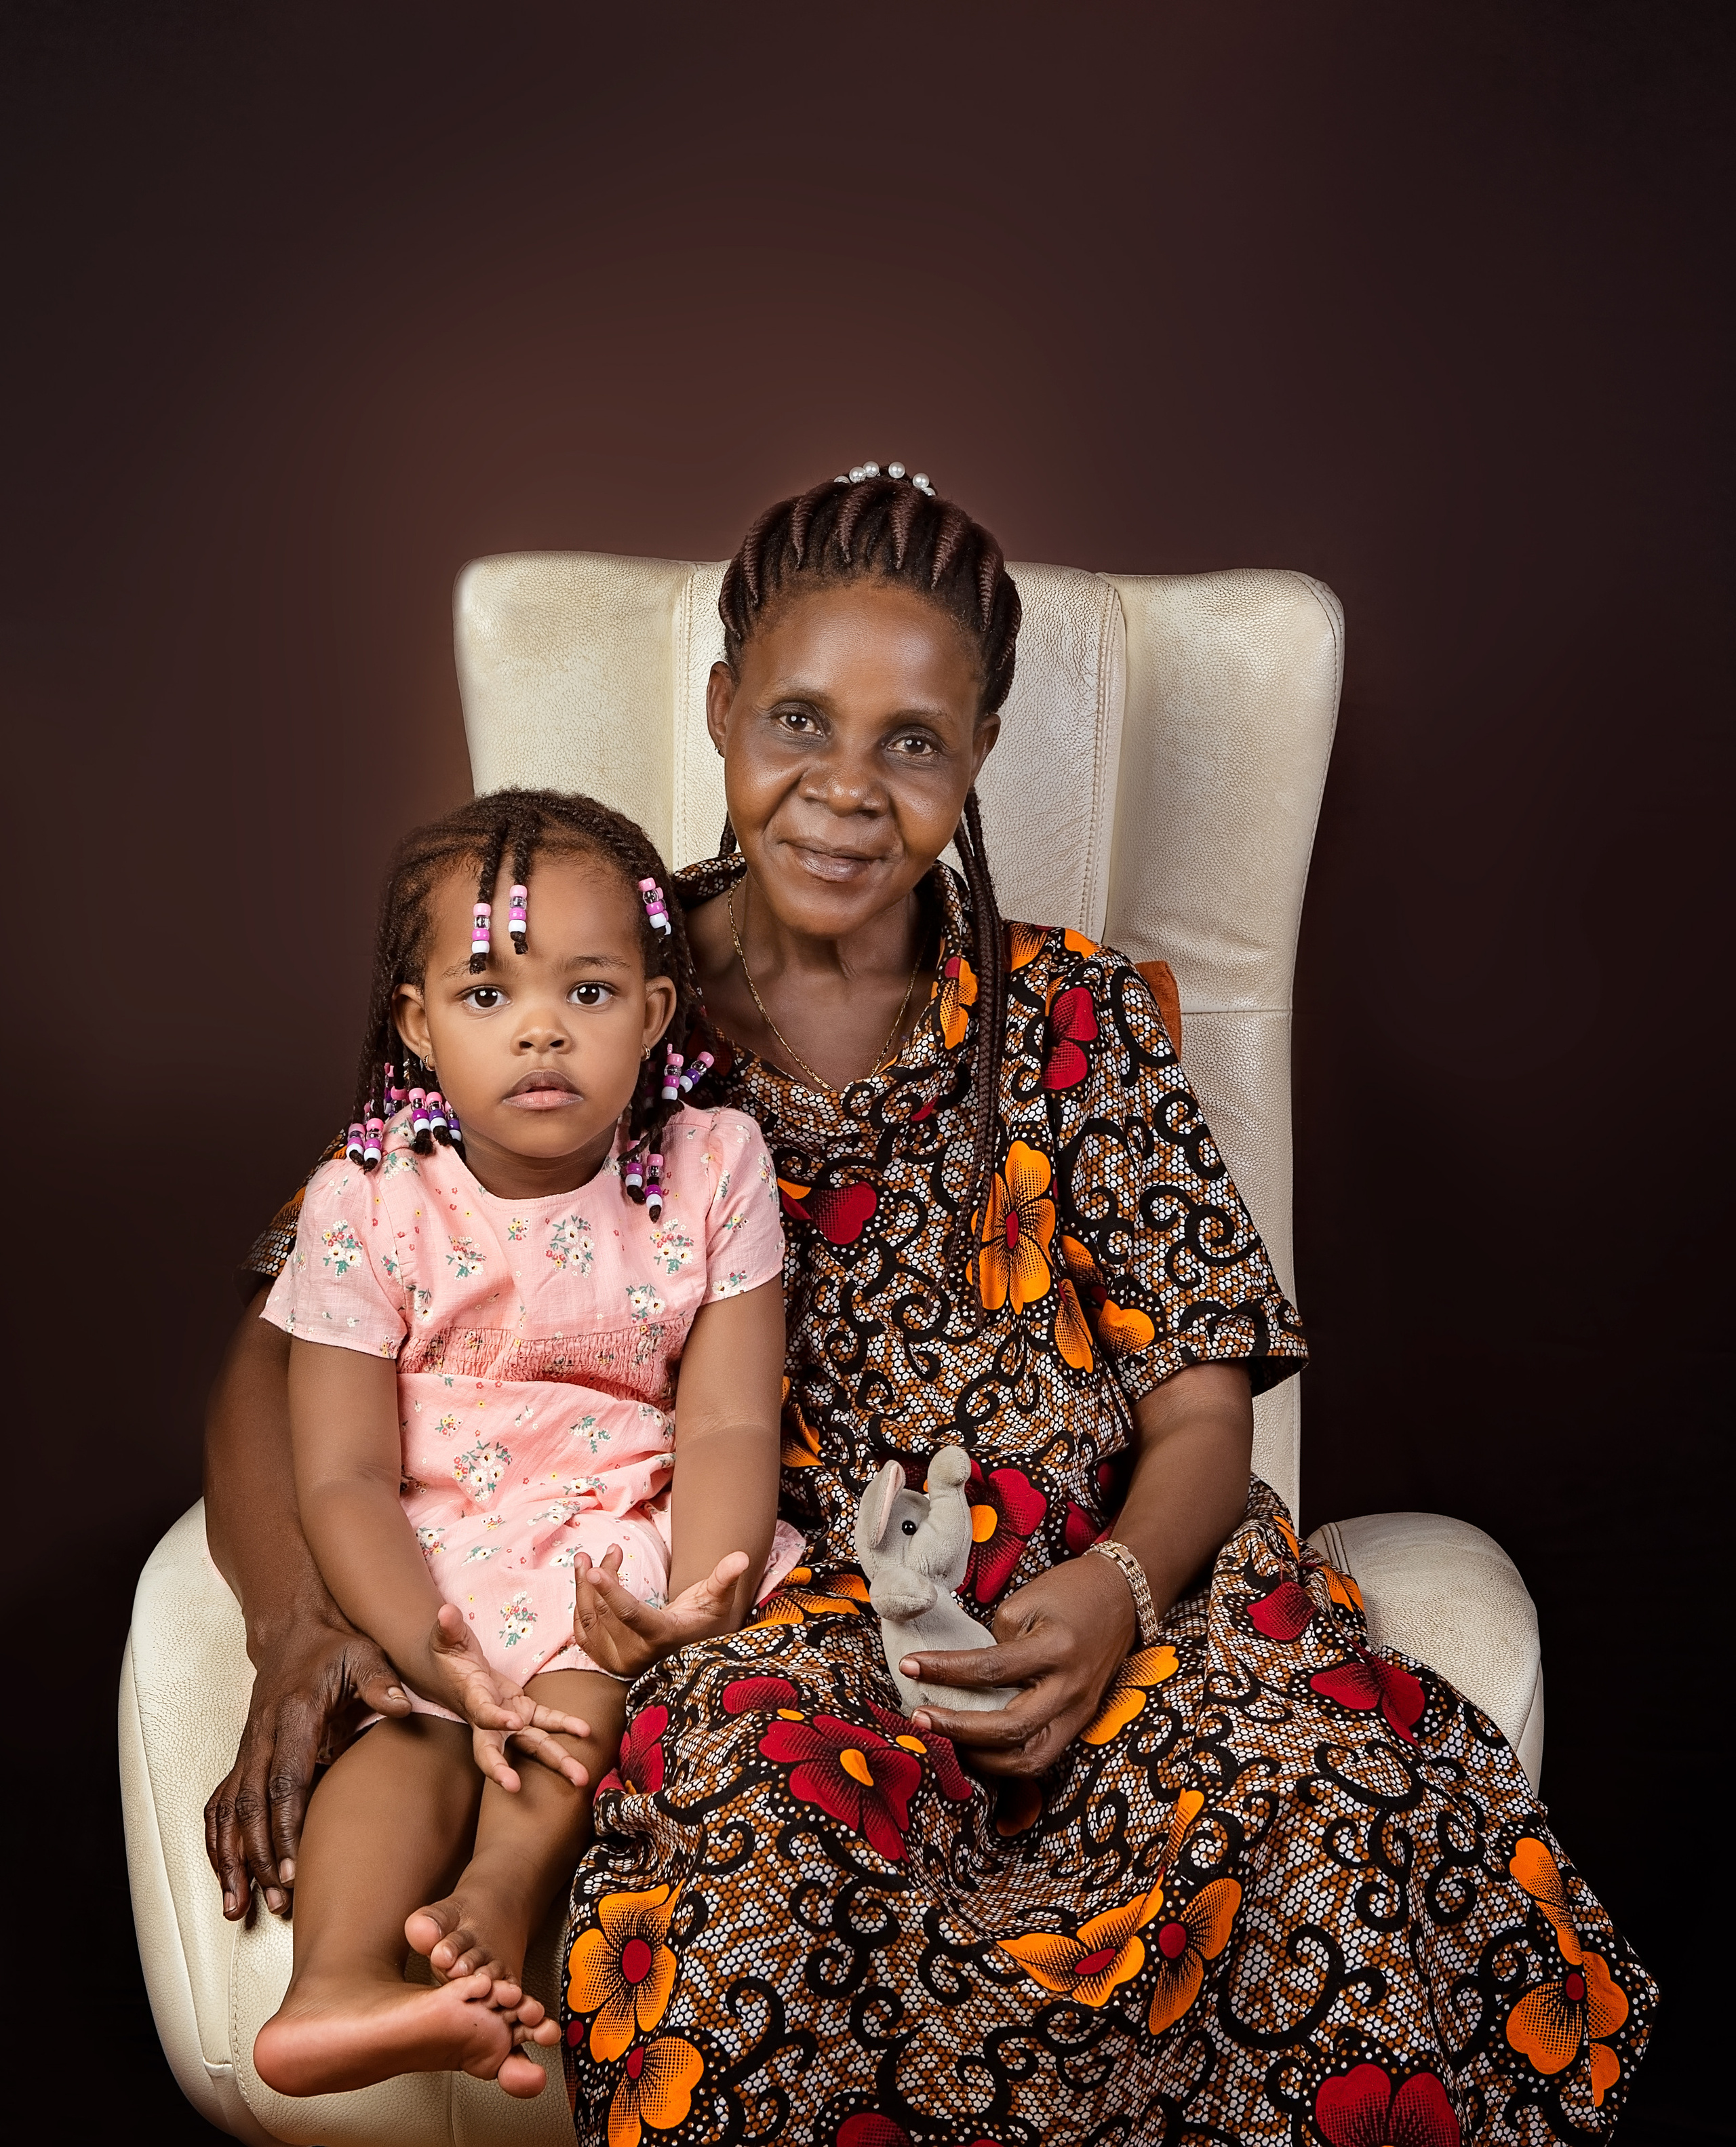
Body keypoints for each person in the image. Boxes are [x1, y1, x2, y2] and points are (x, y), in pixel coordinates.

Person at [206, 473, 1655, 2142]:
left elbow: (1201, 1404)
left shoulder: (1078, 1015)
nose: (843, 789)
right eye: (799, 720)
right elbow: (299, 1329)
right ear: (720, 711)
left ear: (978, 756)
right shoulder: (590, 981)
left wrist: (1116, 1589)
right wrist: (294, 1620)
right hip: (769, 1626)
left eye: (913, 741)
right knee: (763, 1867)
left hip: (1117, 1613)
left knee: (1314, 1805)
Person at [247, 791, 791, 2099]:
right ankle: (331, 1987)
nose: (543, 1028)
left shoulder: (714, 1161)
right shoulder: (367, 1196)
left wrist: (698, 1600)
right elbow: (338, 1470)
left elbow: (725, 1418)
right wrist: (426, 1637)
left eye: (591, 991)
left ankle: (490, 1903)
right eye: (487, 996)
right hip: (424, 1546)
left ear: (655, 1014)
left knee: (580, 1682)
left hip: (613, 1537)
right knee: (416, 1730)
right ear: (419, 1025)